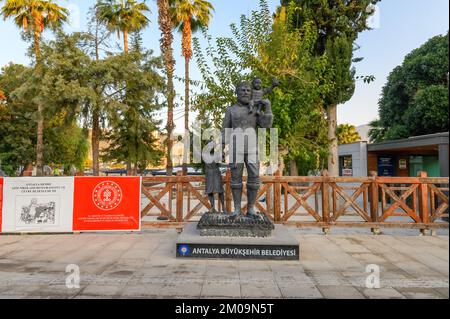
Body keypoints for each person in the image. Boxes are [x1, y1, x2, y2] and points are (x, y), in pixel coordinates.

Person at [222, 81, 274, 219]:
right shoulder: (231, 110)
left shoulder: (255, 110)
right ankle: (237, 209)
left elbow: (267, 125)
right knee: (235, 179)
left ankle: (250, 208)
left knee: (254, 177)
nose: (245, 92)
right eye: (242, 90)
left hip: (252, 148)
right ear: (237, 92)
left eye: (248, 90)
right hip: (235, 148)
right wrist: (220, 147)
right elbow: (225, 130)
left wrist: (267, 107)